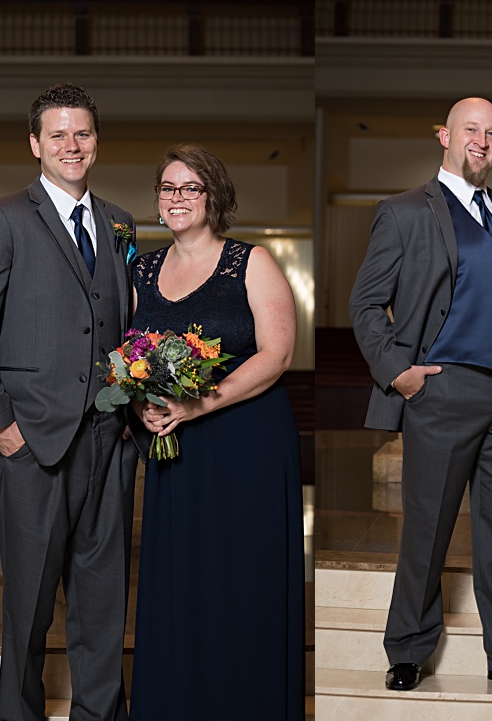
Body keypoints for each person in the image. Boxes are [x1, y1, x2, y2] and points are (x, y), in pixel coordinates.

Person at [349, 97, 492, 692]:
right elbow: (366, 305)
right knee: (427, 526)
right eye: (471, 129)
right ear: (444, 135)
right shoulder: (403, 212)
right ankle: (408, 650)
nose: (483, 140)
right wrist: (401, 373)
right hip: (441, 392)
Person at [0, 83, 137, 721]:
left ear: (96, 141)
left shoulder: (119, 222)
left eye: (82, 133)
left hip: (109, 439)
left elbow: (124, 329)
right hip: (31, 442)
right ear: (35, 144)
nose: (72, 145)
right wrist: (0, 426)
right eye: (58, 134)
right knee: (26, 605)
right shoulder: (4, 217)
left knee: (103, 600)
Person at [127, 145, 301, 718]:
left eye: (190, 188)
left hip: (245, 439)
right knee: (182, 578)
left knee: (242, 576)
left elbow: (276, 355)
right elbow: (126, 360)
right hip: (176, 450)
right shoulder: (141, 271)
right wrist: (143, 410)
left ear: (214, 197)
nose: (177, 198)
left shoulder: (251, 262)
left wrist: (195, 405)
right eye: (168, 188)